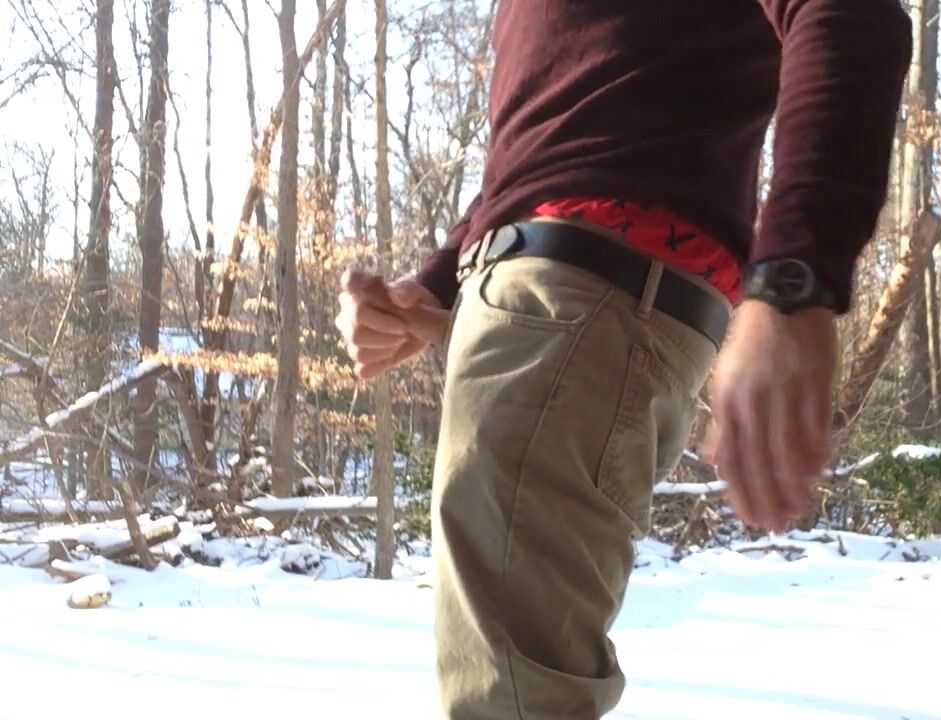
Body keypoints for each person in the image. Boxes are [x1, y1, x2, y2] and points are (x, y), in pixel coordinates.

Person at [335, 1, 912, 717]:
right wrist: (435, 283)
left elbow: (849, 15)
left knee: (511, 701)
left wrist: (793, 281)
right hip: (548, 301)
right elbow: (553, 140)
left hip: (577, 297)